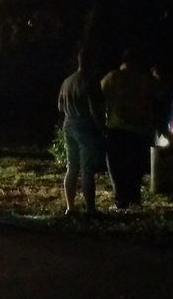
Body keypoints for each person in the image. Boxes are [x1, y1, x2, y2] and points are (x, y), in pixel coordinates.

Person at [100, 50, 161, 208]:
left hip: (117, 129)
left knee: (118, 168)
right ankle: (134, 199)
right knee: (135, 169)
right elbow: (159, 92)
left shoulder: (113, 77)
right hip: (140, 131)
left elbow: (98, 95)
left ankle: (121, 200)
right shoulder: (145, 79)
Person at [57, 49, 106, 217]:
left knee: (72, 167)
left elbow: (60, 107)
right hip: (84, 126)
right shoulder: (90, 81)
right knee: (87, 169)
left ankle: (70, 207)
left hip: (68, 124)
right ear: (91, 62)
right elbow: (95, 109)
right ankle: (90, 209)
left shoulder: (67, 82)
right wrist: (102, 128)